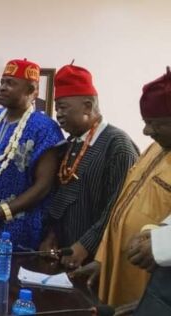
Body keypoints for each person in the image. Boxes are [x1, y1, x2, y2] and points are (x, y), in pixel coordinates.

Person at [72, 67, 171, 307]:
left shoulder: (120, 145)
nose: (146, 131)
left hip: (153, 278)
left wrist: (160, 245)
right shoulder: (155, 149)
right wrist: (102, 260)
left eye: (154, 123)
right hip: (119, 267)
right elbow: (121, 208)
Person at [41, 63, 139, 269]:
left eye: (63, 107)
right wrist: (51, 234)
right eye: (56, 107)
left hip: (96, 262)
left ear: (87, 105)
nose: (57, 114)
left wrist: (85, 246)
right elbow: (62, 196)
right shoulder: (71, 144)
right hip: (64, 257)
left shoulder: (117, 145)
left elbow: (117, 208)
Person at [0, 58, 64, 252]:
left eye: (11, 83)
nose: (2, 88)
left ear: (31, 90)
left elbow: (44, 186)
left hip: (15, 230)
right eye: (2, 82)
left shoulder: (45, 129)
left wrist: (0, 213)